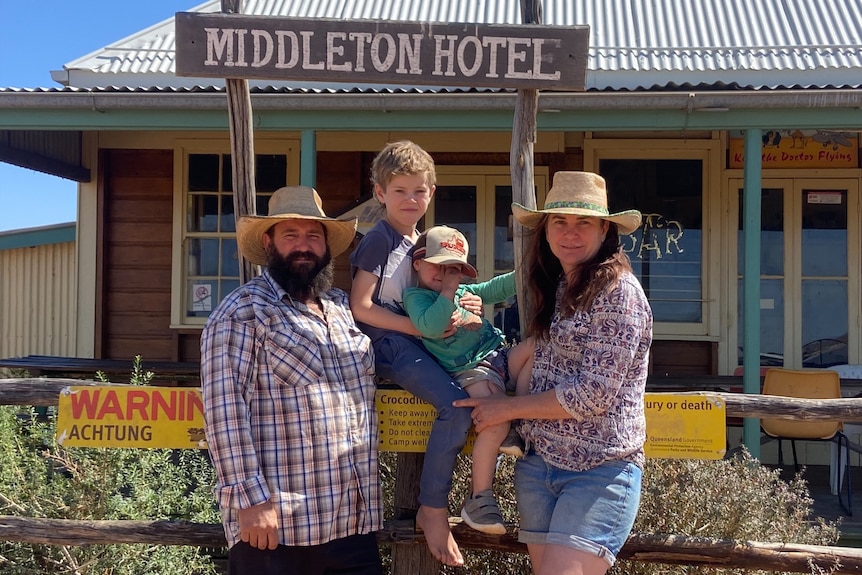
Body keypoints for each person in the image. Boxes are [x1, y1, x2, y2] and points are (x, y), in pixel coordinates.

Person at [455, 171, 653, 575]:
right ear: (546, 231)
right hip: (540, 466)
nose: (570, 233)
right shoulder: (563, 287)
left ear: (604, 231)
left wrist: (505, 410)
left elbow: (592, 395)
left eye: (584, 223)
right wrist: (474, 354)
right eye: (560, 222)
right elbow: (538, 357)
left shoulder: (619, 293)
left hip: (599, 470)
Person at [200, 186, 382, 575]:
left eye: (313, 236)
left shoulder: (340, 309)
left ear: (327, 246)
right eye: (291, 235)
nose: (304, 245)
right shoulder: (242, 312)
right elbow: (224, 411)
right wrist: (249, 500)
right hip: (279, 526)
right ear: (268, 243)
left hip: (352, 521)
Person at [349, 140, 483, 567]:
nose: (411, 199)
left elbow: (434, 292)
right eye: (400, 190)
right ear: (379, 193)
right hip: (386, 342)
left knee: (484, 378)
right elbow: (361, 305)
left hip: (417, 336)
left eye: (419, 191)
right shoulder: (379, 239)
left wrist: (464, 306)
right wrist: (415, 328)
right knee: (455, 406)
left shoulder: (421, 241)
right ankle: (433, 508)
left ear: (432, 193)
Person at [402, 225, 533, 535]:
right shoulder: (416, 297)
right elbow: (432, 325)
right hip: (469, 370)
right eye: (439, 266)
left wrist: (527, 269)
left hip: (497, 358)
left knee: (536, 348)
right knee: (494, 418)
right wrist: (449, 292)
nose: (447, 275)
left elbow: (498, 288)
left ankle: (520, 420)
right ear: (418, 264)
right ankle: (479, 498)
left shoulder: (464, 291)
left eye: (454, 269)